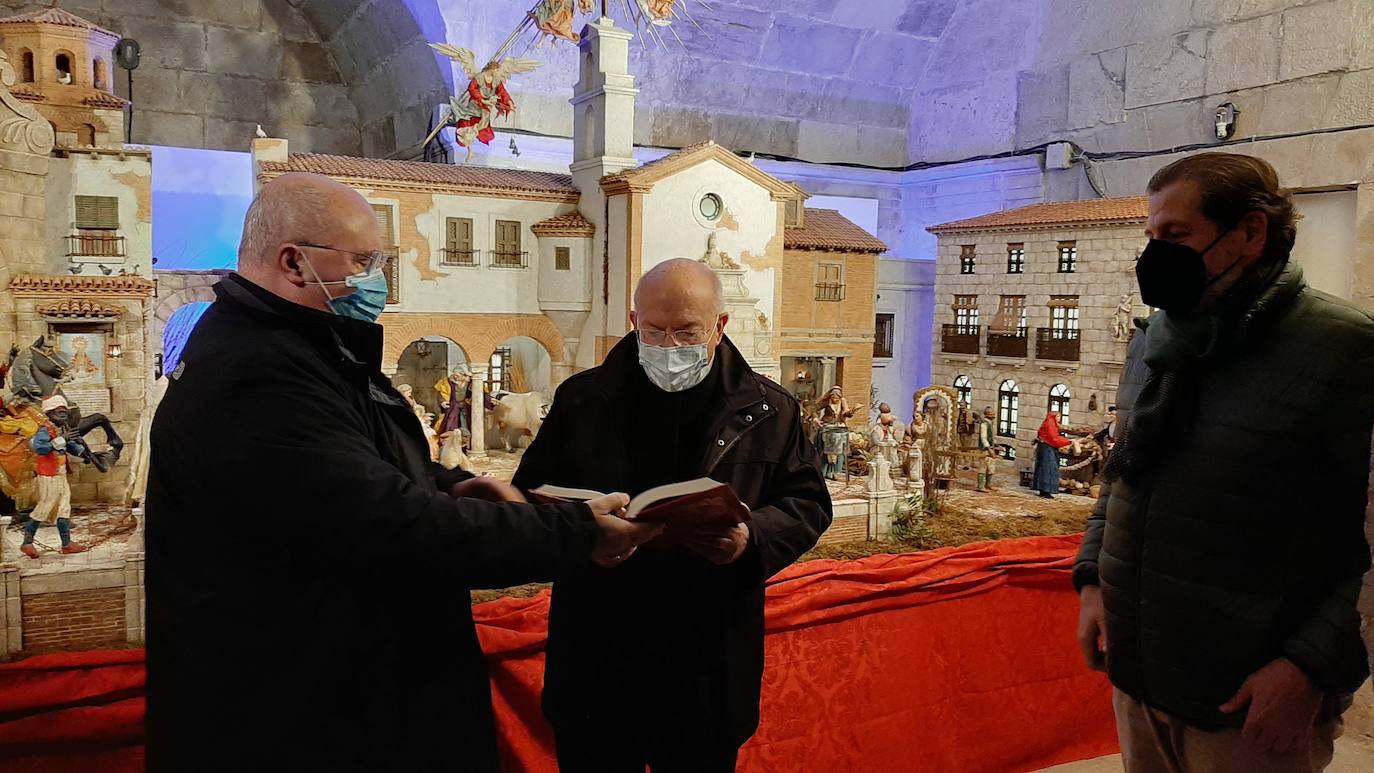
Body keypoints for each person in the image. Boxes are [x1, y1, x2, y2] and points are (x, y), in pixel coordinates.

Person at [144, 173, 659, 772]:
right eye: (364, 261)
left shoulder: (308, 349)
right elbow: (386, 523)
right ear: (293, 262)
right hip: (303, 717)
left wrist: (452, 485)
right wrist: (578, 535)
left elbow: (356, 467)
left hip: (344, 696)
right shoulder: (257, 375)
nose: (378, 279)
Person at [1074, 153, 1374, 773]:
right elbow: (1124, 471)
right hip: (1143, 677)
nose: (1156, 256)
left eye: (1176, 236)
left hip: (1249, 700)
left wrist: (1309, 667)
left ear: (1251, 233)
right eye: (1152, 237)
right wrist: (1094, 580)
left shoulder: (1347, 349)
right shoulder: (1157, 339)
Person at [512, 258, 833, 772]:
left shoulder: (769, 410)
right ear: (635, 322)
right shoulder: (583, 400)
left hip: (707, 655)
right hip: (599, 649)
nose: (667, 347)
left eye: (686, 333)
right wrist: (582, 531)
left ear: (720, 326)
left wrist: (752, 538)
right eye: (654, 331)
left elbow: (809, 503)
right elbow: (530, 494)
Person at [18, 395, 87, 558]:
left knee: (64, 507)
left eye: (64, 413)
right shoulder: (45, 430)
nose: (62, 416)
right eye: (58, 413)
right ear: (49, 414)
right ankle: (27, 542)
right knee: (45, 506)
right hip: (49, 475)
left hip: (60, 473)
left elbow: (68, 445)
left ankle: (66, 544)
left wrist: (81, 450)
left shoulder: (59, 429)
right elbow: (40, 448)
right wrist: (63, 439)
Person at [1032, 409, 1073, 498]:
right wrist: (1067, 441)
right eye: (1058, 416)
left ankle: (1043, 490)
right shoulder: (1049, 424)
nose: (1059, 418)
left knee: (1044, 469)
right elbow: (1053, 438)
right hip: (1047, 449)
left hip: (1046, 448)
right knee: (1048, 469)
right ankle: (1046, 490)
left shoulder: (1051, 424)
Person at [975, 406, 998, 492]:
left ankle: (988, 484)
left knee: (991, 467)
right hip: (985, 449)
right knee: (983, 467)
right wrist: (989, 449)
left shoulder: (990, 423)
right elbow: (983, 437)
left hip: (990, 448)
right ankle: (980, 486)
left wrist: (995, 444)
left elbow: (991, 436)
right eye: (992, 414)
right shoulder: (984, 423)